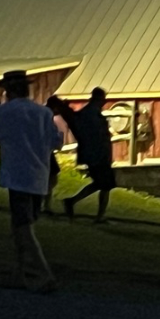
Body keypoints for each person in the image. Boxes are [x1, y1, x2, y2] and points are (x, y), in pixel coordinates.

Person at [0, 70, 62, 291]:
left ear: (8, 91)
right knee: (22, 226)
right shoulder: (43, 113)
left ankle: (43, 273)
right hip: (40, 175)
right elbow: (57, 142)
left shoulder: (6, 112)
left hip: (17, 175)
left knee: (22, 227)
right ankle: (21, 274)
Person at [54, 89, 116, 223]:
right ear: (99, 99)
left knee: (102, 184)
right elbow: (91, 135)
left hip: (98, 154)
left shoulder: (89, 113)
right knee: (105, 185)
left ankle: (72, 202)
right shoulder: (90, 114)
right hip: (97, 155)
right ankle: (97, 216)